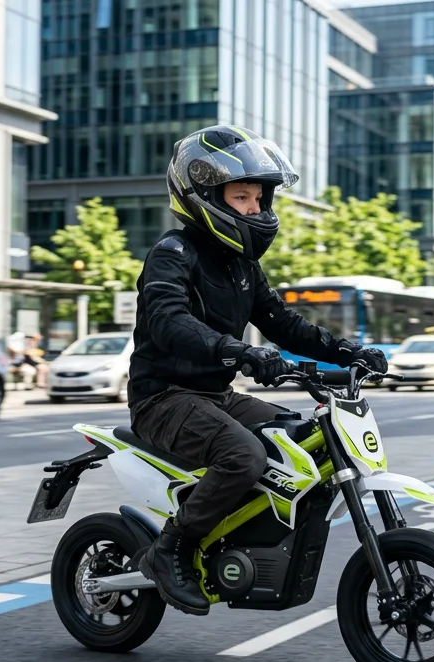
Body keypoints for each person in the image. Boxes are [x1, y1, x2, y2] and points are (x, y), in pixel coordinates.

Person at [129, 125, 388, 616]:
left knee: (305, 438)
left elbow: (282, 323)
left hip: (214, 397)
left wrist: (346, 350)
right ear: (204, 196)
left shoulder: (241, 266)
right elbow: (168, 321)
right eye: (241, 196)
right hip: (163, 398)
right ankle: (172, 549)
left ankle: (244, 541)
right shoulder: (173, 254)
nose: (255, 208)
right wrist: (238, 351)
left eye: (259, 197)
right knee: (244, 455)